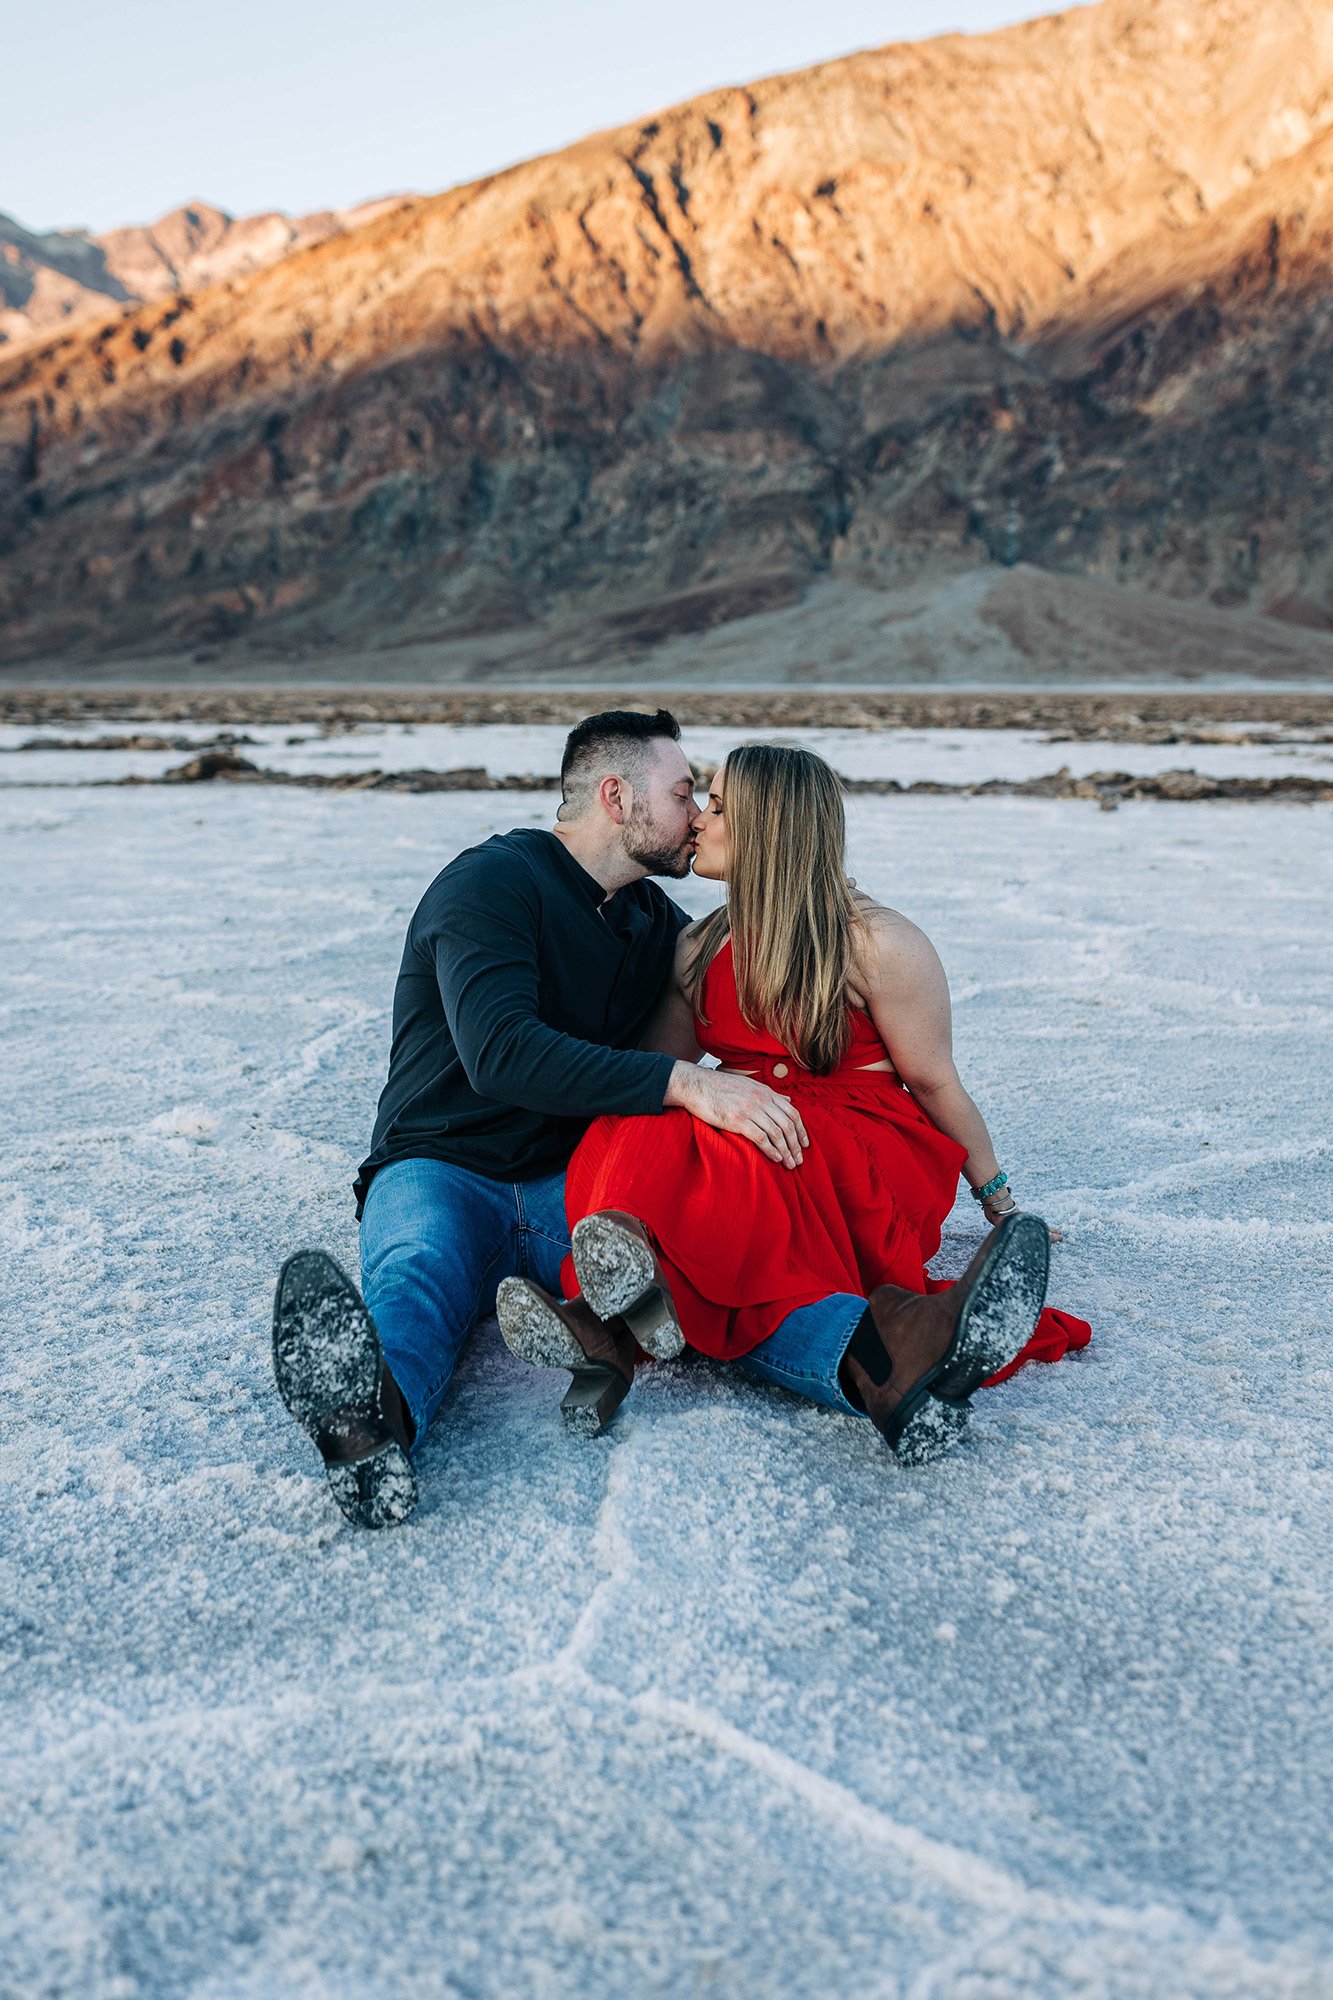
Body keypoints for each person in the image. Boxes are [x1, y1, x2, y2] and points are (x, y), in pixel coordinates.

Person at [270, 709, 811, 1528]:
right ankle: (367, 1431)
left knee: (708, 1272)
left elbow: (751, 992)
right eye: (681, 792)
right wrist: (685, 1084)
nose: (698, 813)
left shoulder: (649, 921)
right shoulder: (492, 884)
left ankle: (882, 1357)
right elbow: (502, 1053)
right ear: (615, 795)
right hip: (442, 1165)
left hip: (572, 1184)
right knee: (415, 1276)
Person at [498, 743, 1091, 1464]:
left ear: (767, 829)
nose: (696, 824)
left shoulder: (878, 942)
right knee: (639, 1116)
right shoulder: (698, 948)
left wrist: (997, 1200)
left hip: (862, 1149)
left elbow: (934, 1083)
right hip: (756, 1124)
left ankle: (609, 1319)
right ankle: (621, 1296)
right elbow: (656, 1071)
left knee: (736, 1140)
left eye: (715, 809)